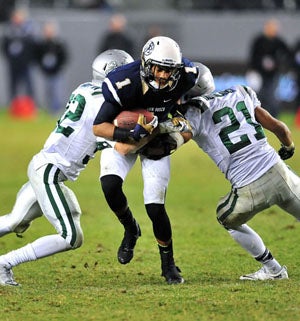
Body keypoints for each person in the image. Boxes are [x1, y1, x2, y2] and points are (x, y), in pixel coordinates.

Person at [0, 49, 134, 286]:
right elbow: (122, 147)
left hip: (44, 164)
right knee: (71, 236)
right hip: (50, 171)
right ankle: (4, 263)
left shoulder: (85, 88)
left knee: (15, 221)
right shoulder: (103, 102)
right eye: (126, 73)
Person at [93, 36, 215, 284]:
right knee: (110, 185)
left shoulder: (187, 75)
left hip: (156, 137)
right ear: (147, 65)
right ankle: (130, 228)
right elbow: (98, 127)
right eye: (158, 68)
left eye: (168, 70)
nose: (162, 75)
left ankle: (168, 263)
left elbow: (189, 119)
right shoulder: (123, 82)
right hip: (125, 136)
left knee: (155, 206)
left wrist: (176, 134)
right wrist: (128, 134)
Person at [176, 84, 297, 280]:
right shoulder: (241, 91)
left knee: (226, 219)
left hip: (249, 188)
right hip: (279, 172)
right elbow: (278, 127)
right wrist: (289, 146)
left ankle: (273, 269)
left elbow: (172, 143)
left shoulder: (194, 112)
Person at [247, 18, 291, 118]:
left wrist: (278, 64)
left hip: (273, 74)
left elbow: (287, 54)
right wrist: (253, 69)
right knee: (258, 96)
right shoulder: (259, 40)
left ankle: (274, 118)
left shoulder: (279, 42)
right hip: (259, 73)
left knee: (272, 96)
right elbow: (253, 56)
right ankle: (259, 118)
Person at [1, 8, 37, 104]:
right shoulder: (9, 30)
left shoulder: (28, 31)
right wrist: (9, 58)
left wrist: (28, 59)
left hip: (25, 63)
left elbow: (32, 47)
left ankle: (31, 105)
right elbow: (4, 47)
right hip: (13, 63)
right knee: (13, 85)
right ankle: (13, 105)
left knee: (28, 85)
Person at [35, 21, 68, 115]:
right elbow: (37, 56)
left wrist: (59, 66)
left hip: (56, 71)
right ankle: (47, 109)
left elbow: (64, 57)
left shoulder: (59, 43)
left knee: (57, 91)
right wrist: (42, 67)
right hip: (45, 72)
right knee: (46, 91)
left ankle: (57, 109)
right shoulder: (41, 44)